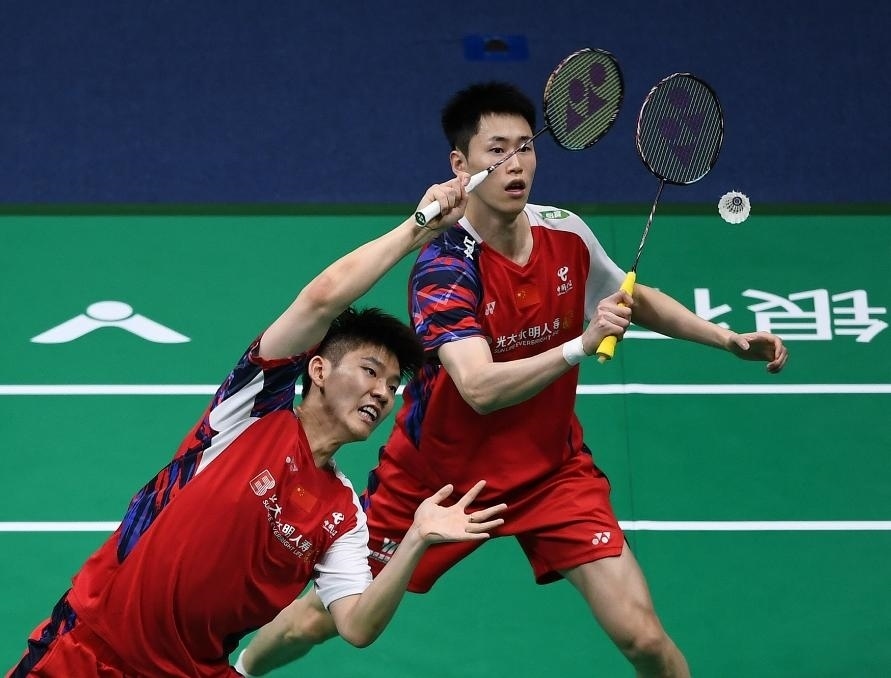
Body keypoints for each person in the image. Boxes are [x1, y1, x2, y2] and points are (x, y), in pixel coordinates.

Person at [236, 82, 789, 678]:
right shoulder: (444, 268)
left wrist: (724, 339)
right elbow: (479, 387)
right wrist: (579, 345)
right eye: (496, 150)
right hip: (437, 482)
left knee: (645, 638)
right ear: (461, 164)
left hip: (550, 472)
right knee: (323, 618)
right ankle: (243, 669)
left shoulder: (566, 232)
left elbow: (635, 298)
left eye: (525, 147)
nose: (516, 164)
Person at [7, 174, 509, 678]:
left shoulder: (343, 515)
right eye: (370, 371)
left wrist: (416, 538)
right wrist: (416, 229)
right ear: (318, 370)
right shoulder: (254, 409)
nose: (382, 392)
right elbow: (321, 300)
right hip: (91, 650)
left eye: (393, 385)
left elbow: (357, 625)